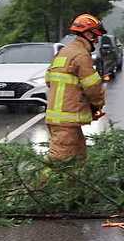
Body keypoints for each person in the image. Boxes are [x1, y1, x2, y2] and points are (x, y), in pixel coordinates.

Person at [44, 13, 106, 161]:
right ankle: (41, 184)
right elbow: (93, 88)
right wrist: (98, 105)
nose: (96, 40)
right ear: (88, 34)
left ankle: (74, 184)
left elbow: (48, 79)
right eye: (95, 36)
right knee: (58, 163)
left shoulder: (63, 52)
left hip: (61, 120)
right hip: (67, 122)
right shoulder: (81, 55)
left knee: (78, 158)